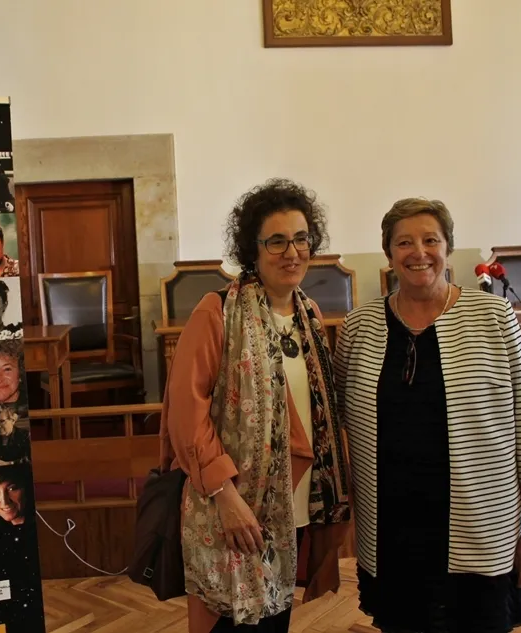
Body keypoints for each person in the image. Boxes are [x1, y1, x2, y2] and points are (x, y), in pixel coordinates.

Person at [332, 197, 521, 632]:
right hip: (393, 533)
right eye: (404, 242)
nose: (419, 252)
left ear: (448, 248)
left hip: (480, 528)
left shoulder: (493, 317)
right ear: (388, 253)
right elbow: (340, 418)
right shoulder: (360, 326)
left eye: (430, 240)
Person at [160, 178, 351, 633]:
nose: (292, 252)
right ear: (253, 248)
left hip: (291, 506)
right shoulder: (217, 312)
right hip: (228, 505)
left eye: (301, 239)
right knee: (226, 623)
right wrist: (225, 497)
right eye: (276, 241)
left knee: (273, 621)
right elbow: (187, 416)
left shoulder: (309, 314)